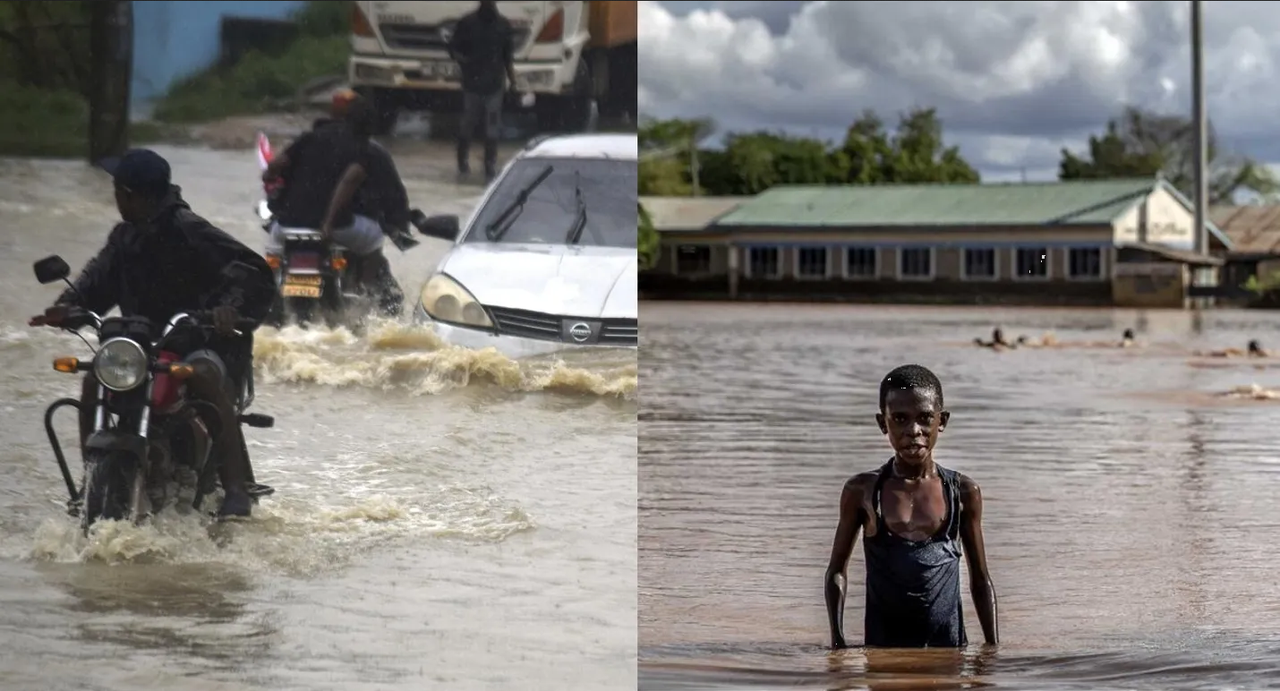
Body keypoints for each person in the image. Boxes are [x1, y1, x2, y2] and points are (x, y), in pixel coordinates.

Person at [28, 149, 275, 518]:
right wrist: (68, 306)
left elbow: (252, 270)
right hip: (139, 347)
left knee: (204, 376)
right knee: (94, 378)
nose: (116, 198)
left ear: (132, 195)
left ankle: (236, 491)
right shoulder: (124, 237)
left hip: (197, 342)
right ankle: (90, 480)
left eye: (117, 191)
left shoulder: (189, 229)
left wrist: (229, 308)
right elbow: (97, 279)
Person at [824, 364, 999, 649]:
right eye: (900, 419)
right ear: (884, 424)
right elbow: (836, 571)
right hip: (882, 654)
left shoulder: (963, 492)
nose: (913, 431)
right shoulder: (864, 491)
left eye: (925, 418)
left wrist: (992, 650)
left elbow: (980, 579)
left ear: (941, 421)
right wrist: (838, 645)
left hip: (949, 653)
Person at [263, 97, 386, 288]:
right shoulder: (361, 148)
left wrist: (268, 176)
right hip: (333, 227)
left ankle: (269, 292)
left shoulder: (310, 137)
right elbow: (348, 182)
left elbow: (276, 165)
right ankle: (365, 291)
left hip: (289, 223)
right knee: (375, 238)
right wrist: (328, 223)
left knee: (273, 246)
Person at [448, 0, 518, 182]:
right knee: (471, 124)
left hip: (489, 84)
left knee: (486, 125)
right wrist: (465, 63)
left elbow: (507, 57)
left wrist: (513, 81)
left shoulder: (500, 25)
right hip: (476, 83)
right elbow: (453, 49)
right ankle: (467, 162)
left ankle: (487, 164)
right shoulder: (469, 24)